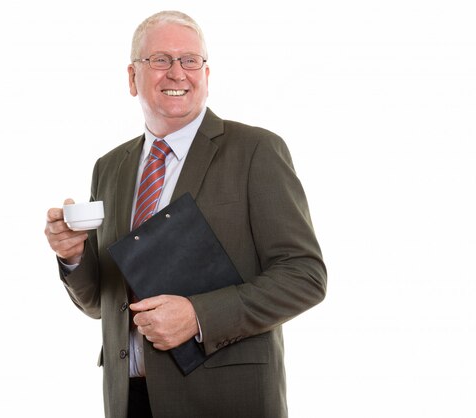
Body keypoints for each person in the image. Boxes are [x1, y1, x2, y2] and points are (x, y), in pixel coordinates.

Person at [44, 10, 326, 418]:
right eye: (160, 60)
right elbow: (101, 304)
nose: (177, 73)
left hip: (226, 398)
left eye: (190, 60)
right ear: (131, 77)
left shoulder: (255, 151)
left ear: (206, 75)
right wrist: (72, 255)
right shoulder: (109, 167)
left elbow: (305, 276)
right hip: (129, 399)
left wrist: (198, 317)